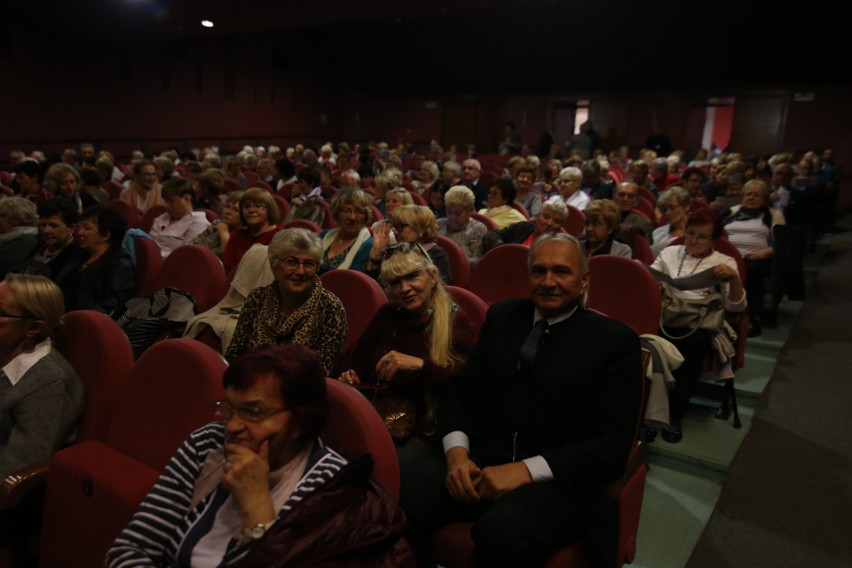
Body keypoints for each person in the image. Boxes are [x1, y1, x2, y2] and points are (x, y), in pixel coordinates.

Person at [401, 233, 642, 567]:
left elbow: (610, 447)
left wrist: (526, 471)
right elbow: (462, 393)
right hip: (480, 460)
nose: (548, 282)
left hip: (557, 481)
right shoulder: (503, 317)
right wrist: (456, 454)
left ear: (585, 279)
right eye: (538, 271)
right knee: (403, 489)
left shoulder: (614, 343)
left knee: (502, 531)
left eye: (561, 271)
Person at [108, 343, 413, 568]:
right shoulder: (208, 443)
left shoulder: (328, 486)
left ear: (299, 421)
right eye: (230, 407)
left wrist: (258, 512)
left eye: (253, 412)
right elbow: (131, 548)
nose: (234, 426)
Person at [339, 244, 477, 465]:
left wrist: (421, 366)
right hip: (379, 412)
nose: (404, 288)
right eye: (396, 282)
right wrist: (351, 373)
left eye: (412, 277)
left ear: (432, 278)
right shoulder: (389, 314)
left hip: (422, 427)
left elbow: (466, 390)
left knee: (369, 461)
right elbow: (357, 355)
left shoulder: (456, 322)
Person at [651, 209, 746, 442]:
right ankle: (650, 412)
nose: (693, 240)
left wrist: (733, 279)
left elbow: (736, 309)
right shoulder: (670, 252)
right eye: (690, 233)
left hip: (699, 322)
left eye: (702, 236)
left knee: (694, 343)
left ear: (714, 240)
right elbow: (650, 281)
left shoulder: (724, 261)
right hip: (665, 315)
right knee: (645, 340)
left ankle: (675, 413)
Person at [225, 229, 346, 376]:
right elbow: (235, 355)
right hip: (251, 383)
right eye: (291, 262)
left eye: (308, 263)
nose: (300, 271)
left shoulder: (331, 308)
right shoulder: (257, 298)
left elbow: (322, 372)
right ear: (274, 266)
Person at [0, 274, 84, 480]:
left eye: (0, 312)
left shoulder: (47, 383)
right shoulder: (5, 347)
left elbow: (15, 470)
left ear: (33, 328)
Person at [723, 179, 784, 337]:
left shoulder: (773, 215)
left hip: (756, 258)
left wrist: (763, 253)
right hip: (727, 256)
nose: (751, 197)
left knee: (751, 270)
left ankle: (752, 318)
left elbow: (782, 243)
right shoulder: (732, 212)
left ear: (764, 198)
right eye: (748, 194)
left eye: (757, 195)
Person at [55, 206, 136, 313]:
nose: (79, 233)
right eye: (81, 227)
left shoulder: (120, 264)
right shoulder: (80, 254)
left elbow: (113, 304)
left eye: (87, 228)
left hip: (80, 320)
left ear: (106, 235)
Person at [369, 205, 452, 285]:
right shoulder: (396, 251)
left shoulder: (436, 254)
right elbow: (376, 285)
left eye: (401, 226)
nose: (396, 232)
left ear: (420, 228)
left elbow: (440, 288)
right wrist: (376, 252)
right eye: (395, 227)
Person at [16, 198, 81, 279]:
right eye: (43, 225)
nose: (46, 230)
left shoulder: (75, 256)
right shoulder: (40, 246)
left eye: (54, 226)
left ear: (71, 228)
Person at [221, 188, 282, 272]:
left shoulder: (280, 237)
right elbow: (227, 269)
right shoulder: (237, 236)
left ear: (269, 210)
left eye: (258, 206)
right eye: (247, 206)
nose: (252, 210)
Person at [481, 196, 567, 254]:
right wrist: (504, 250)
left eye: (556, 221)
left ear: (560, 226)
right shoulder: (523, 227)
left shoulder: (560, 247)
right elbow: (490, 235)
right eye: (546, 217)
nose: (549, 223)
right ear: (537, 216)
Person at [148, 179, 210, 258]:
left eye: (171, 201)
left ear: (186, 199)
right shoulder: (162, 217)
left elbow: (186, 255)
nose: (166, 205)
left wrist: (155, 254)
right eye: (166, 201)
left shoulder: (199, 222)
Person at [318, 188, 375, 274]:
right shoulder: (323, 236)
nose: (352, 217)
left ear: (366, 216)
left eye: (359, 212)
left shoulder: (368, 246)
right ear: (337, 214)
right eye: (346, 211)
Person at [437, 186, 488, 266]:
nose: (452, 217)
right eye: (449, 212)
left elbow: (476, 262)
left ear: (470, 211)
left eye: (458, 213)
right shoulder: (439, 224)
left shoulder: (478, 229)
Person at [191, 191, 244, 258]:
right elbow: (194, 245)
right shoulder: (217, 224)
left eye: (236, 210)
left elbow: (228, 262)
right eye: (227, 206)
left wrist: (224, 235)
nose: (228, 212)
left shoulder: (243, 237)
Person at [0, 197, 39, 279]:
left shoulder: (23, 241)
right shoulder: (10, 236)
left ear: (17, 219)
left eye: (2, 216)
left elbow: (2, 269)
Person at [651, 186, 692, 258]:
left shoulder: (697, 233)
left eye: (672, 208)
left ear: (686, 206)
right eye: (665, 209)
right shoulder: (658, 233)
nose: (667, 213)